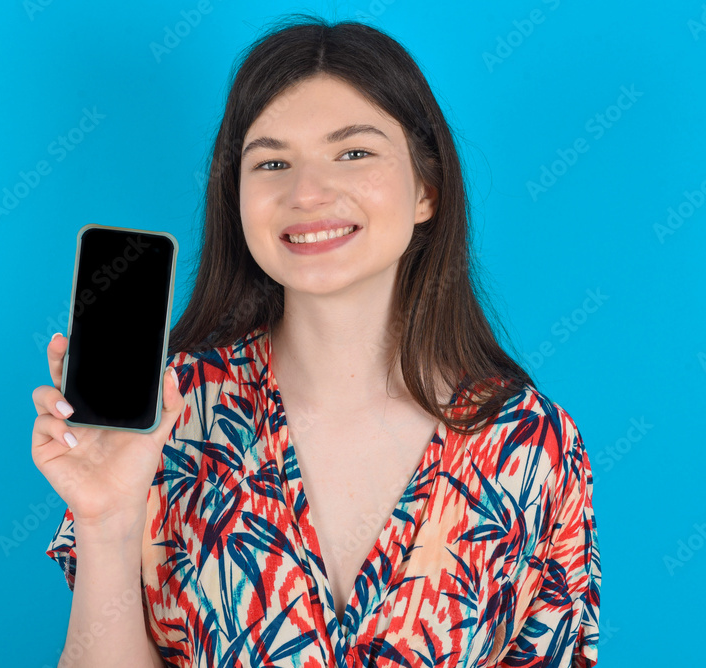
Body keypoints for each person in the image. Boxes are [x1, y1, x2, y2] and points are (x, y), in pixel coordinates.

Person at [32, 15, 601, 668]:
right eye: (272, 162)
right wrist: (106, 522)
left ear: (427, 189)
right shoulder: (168, 415)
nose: (307, 192)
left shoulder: (531, 447)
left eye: (353, 152)